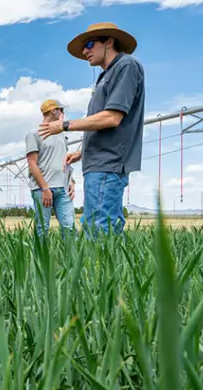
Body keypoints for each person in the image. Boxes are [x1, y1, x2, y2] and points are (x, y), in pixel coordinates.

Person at [40, 22, 145, 236]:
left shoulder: (126, 66)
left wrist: (64, 125)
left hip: (108, 162)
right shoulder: (105, 75)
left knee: (99, 229)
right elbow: (101, 123)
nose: (85, 51)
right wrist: (81, 152)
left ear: (109, 42)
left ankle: (105, 270)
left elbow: (112, 118)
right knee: (97, 226)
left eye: (89, 44)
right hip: (98, 162)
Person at [25, 100, 76, 237]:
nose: (63, 114)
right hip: (42, 189)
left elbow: (66, 161)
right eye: (61, 110)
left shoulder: (62, 135)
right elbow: (32, 163)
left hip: (63, 188)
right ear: (54, 111)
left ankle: (72, 258)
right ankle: (40, 258)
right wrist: (45, 188)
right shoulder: (34, 134)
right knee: (43, 228)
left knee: (69, 227)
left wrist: (71, 181)